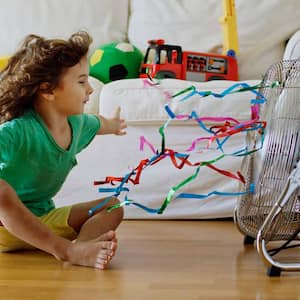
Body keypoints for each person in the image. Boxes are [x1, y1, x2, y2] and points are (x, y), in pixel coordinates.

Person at [0, 31, 127, 269]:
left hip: (43, 222)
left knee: (113, 205)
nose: (90, 89)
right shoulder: (17, 131)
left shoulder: (78, 125)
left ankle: (83, 250)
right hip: (4, 225)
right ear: (48, 90)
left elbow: (99, 123)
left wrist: (114, 125)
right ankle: (67, 251)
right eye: (81, 81)